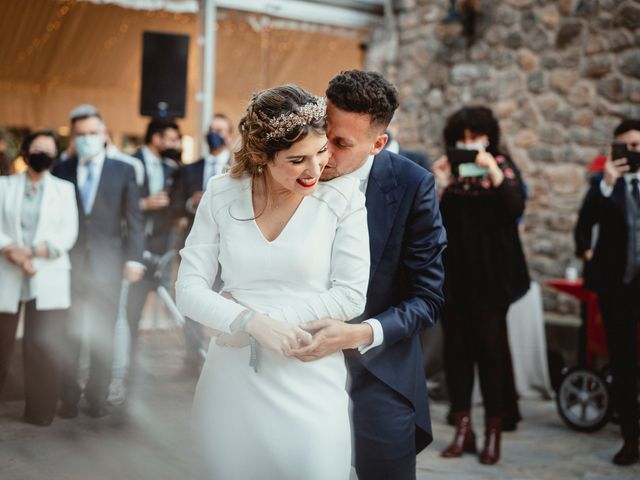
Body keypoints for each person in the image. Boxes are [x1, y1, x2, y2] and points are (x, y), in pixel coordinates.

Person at [175, 84, 370, 480]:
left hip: (307, 374)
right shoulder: (222, 193)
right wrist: (249, 324)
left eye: (321, 152)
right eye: (297, 160)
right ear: (262, 156)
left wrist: (260, 322)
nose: (315, 170)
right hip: (231, 378)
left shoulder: (343, 197)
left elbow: (351, 294)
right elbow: (188, 289)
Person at [290, 70, 448, 480]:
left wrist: (360, 334)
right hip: (291, 361)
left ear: (378, 144)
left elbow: (427, 299)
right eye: (325, 131)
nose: (323, 151)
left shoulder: (414, 187)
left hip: (378, 369)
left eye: (341, 143)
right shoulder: (288, 169)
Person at [431, 106, 530, 465]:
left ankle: (493, 430)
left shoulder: (500, 165)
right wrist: (438, 184)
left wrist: (493, 172)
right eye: (463, 137)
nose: (469, 143)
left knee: (489, 352)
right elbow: (432, 225)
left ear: (489, 136)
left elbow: (516, 206)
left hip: (491, 279)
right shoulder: (449, 175)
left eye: (476, 136)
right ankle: (462, 428)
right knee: (456, 353)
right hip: (454, 277)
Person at [52, 105, 145, 419]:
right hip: (69, 264)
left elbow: (134, 218)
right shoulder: (60, 169)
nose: (88, 139)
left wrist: (134, 259)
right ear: (73, 138)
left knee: (103, 332)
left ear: (104, 134)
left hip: (108, 264)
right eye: (81, 134)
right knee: (69, 332)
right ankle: (66, 397)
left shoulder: (123, 170)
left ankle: (97, 396)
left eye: (93, 133)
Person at [0, 130, 78, 425]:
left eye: (48, 150)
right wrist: (11, 250)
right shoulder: (4, 186)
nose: (42, 153)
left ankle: (40, 412)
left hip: (48, 274)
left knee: (43, 345)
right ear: (25, 152)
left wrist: (31, 253)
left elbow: (68, 234)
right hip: (7, 271)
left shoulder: (64, 189)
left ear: (54, 158)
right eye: (37, 148)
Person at [575, 118, 640, 466]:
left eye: (638, 145)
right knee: (623, 361)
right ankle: (630, 438)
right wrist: (606, 187)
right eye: (627, 145)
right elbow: (583, 230)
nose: (634, 151)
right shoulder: (603, 184)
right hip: (618, 290)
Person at [176, 113, 234, 374]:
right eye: (211, 129)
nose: (215, 134)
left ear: (230, 136)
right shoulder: (190, 169)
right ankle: (192, 360)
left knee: (228, 303)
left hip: (230, 250)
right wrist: (191, 203)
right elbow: (175, 205)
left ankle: (222, 359)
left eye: (220, 130)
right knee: (192, 304)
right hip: (197, 247)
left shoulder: (238, 167)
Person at [127, 119, 182, 368]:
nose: (175, 144)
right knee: (129, 307)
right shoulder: (129, 164)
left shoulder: (172, 168)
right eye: (171, 138)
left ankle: (135, 359)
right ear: (156, 138)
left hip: (160, 246)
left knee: (154, 300)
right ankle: (123, 356)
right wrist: (143, 204)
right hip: (131, 245)